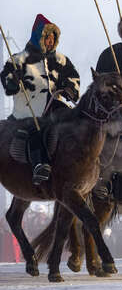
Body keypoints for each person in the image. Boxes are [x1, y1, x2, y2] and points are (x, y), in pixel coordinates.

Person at [1, 14, 80, 184]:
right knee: (37, 128)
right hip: (28, 108)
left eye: (53, 38)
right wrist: (14, 80)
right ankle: (39, 165)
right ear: (39, 38)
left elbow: (73, 78)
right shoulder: (18, 59)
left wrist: (70, 88)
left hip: (54, 105)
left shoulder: (61, 60)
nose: (50, 42)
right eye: (47, 38)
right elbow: (7, 82)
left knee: (77, 123)